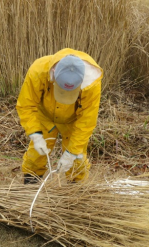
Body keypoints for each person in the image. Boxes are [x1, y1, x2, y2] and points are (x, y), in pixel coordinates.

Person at [16, 48, 103, 184]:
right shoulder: (38, 70)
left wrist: (71, 153)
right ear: (53, 75)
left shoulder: (91, 84)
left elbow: (87, 120)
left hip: (73, 121)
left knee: (77, 160)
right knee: (36, 155)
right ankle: (30, 186)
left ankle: (76, 192)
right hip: (45, 116)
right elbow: (26, 105)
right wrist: (35, 134)